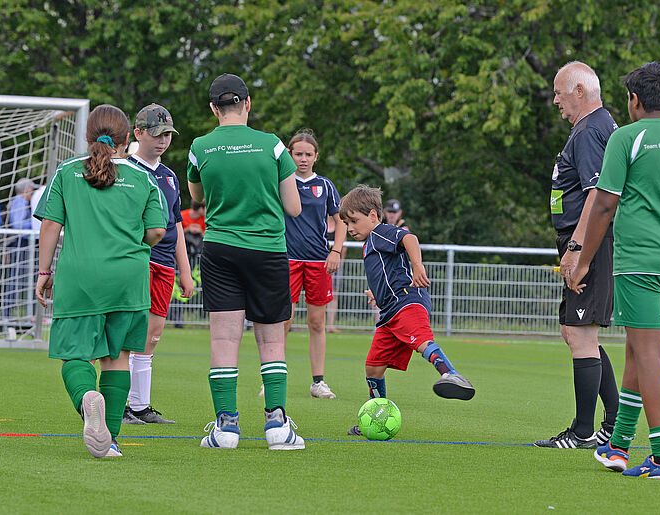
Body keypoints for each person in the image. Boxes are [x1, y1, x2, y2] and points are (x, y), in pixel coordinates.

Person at [567, 62, 660, 479]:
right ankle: (617, 447)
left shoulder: (626, 137)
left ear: (634, 100)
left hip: (637, 262)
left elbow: (604, 204)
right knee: (637, 349)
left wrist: (582, 261)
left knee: (649, 353)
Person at [34, 104, 167, 458]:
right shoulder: (144, 178)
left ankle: (86, 400)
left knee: (75, 356)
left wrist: (45, 272)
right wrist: (136, 247)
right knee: (118, 357)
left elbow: (50, 224)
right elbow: (156, 230)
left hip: (80, 277)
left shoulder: (66, 171)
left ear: (87, 136)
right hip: (129, 278)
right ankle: (111, 442)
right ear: (128, 139)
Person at [187, 73, 304, 450]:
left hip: (220, 249)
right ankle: (277, 427)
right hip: (268, 250)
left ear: (213, 109)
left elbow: (197, 198)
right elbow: (293, 207)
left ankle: (225, 429)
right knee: (271, 340)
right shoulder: (272, 146)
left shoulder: (199, 147)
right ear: (247, 103)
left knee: (223, 338)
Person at [338, 185, 475, 436]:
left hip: (406, 301)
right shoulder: (370, 242)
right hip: (390, 310)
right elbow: (386, 273)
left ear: (372, 215)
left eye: (354, 221)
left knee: (421, 340)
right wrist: (377, 294)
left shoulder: (381, 232)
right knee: (373, 367)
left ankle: (451, 374)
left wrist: (417, 266)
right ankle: (377, 413)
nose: (350, 229)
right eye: (346, 224)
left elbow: (409, 238)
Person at [535, 61, 620, 449]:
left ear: (580, 91)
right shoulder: (597, 126)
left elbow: (596, 195)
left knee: (582, 335)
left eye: (559, 92)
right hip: (585, 240)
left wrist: (576, 250)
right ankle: (614, 422)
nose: (556, 101)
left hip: (587, 242)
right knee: (574, 331)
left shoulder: (589, 130)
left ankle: (584, 430)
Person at [122, 104, 194, 426]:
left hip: (164, 263)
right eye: (156, 133)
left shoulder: (168, 176)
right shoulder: (124, 170)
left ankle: (140, 406)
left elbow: (176, 224)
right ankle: (120, 403)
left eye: (167, 134)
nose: (163, 140)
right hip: (135, 260)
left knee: (153, 335)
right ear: (138, 133)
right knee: (127, 332)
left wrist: (186, 271)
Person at [279, 130, 346, 399]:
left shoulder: (326, 186)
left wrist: (336, 250)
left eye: (308, 154)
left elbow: (341, 219)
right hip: (287, 260)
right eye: (298, 154)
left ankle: (318, 382)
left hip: (319, 260)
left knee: (317, 322)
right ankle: (273, 377)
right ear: (289, 154)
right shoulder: (281, 182)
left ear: (316, 156)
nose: (303, 159)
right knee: (283, 320)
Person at [4, 178, 38, 318]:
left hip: (24, 244)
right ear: (27, 190)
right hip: (20, 244)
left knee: (24, 279)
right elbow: (18, 225)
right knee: (17, 280)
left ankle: (15, 315)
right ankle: (6, 315)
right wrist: (36, 224)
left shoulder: (20, 202)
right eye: (31, 189)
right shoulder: (19, 202)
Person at [180, 200, 206, 267]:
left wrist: (200, 231)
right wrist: (187, 229)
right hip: (184, 247)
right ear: (200, 209)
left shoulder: (204, 219)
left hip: (198, 249)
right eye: (205, 207)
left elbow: (207, 236)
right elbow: (176, 234)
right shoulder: (182, 216)